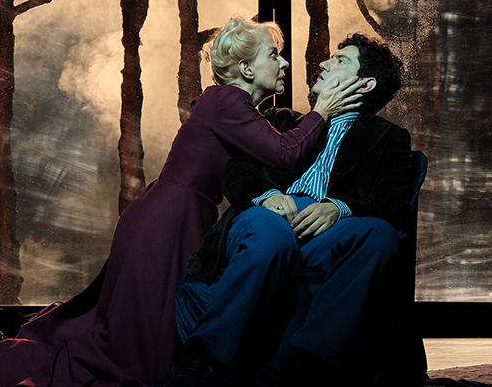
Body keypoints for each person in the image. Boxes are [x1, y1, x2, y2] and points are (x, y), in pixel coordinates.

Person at [0, 16, 364, 387]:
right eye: (273, 55)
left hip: (176, 219)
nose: (284, 63)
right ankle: (15, 372)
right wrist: (322, 111)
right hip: (166, 222)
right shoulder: (225, 101)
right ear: (246, 69)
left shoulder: (239, 110)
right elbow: (284, 153)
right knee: (135, 354)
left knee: (146, 345)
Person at [167, 33, 414, 387]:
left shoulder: (390, 138)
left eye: (340, 60)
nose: (325, 63)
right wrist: (266, 194)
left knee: (381, 235)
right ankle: (203, 356)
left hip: (324, 230)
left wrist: (339, 208)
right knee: (271, 236)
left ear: (365, 84)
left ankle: (307, 366)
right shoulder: (281, 120)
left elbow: (394, 205)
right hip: (267, 216)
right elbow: (236, 170)